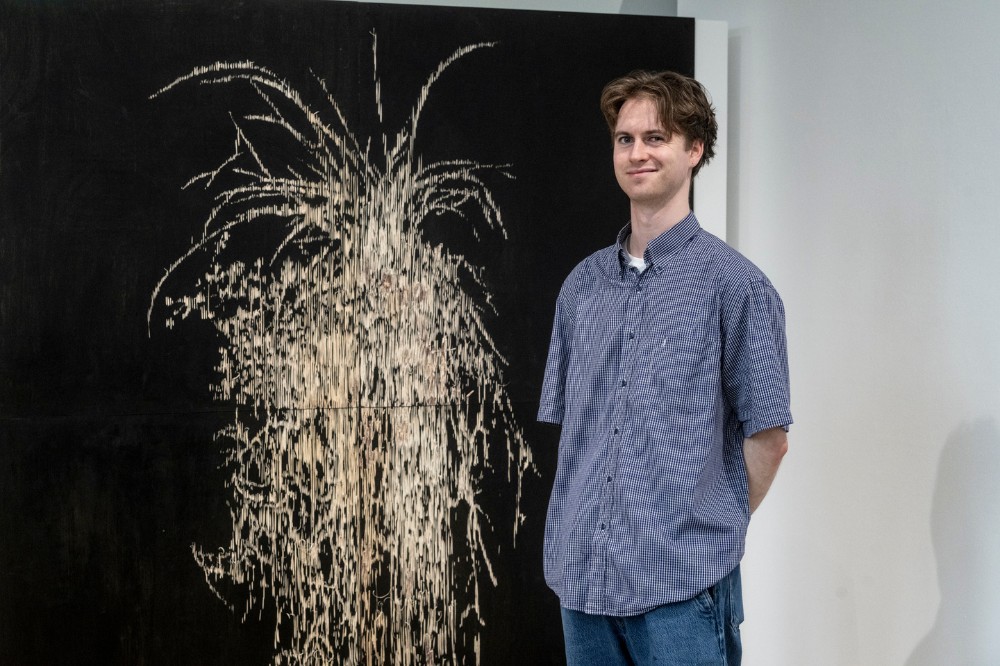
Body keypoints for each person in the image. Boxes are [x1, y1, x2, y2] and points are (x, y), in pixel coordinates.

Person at [537, 70, 792, 665]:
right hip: (583, 582)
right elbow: (571, 431)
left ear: (694, 148)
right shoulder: (581, 286)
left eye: (656, 137)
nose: (637, 152)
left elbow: (770, 440)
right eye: (625, 139)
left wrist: (707, 523)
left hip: (681, 589)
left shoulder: (737, 287)